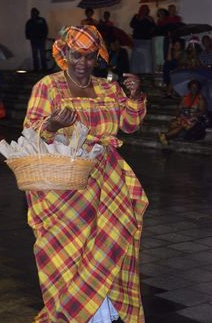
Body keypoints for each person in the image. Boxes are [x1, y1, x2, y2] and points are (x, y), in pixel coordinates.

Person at [23, 25, 148, 323]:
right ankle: (74, 313)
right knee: (69, 252)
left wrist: (135, 96)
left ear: (97, 57)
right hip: (66, 184)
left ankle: (103, 313)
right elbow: (30, 135)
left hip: (107, 180)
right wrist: (51, 126)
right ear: (64, 53)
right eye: (77, 55)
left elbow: (129, 125)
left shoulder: (108, 88)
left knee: (107, 246)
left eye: (90, 57)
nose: (83, 63)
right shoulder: (48, 87)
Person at [159, 79, 207, 145]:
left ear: (198, 89)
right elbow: (179, 108)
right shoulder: (185, 97)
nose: (194, 89)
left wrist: (192, 115)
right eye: (192, 87)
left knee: (183, 124)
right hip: (184, 117)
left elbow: (202, 112)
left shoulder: (200, 99)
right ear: (189, 88)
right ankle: (168, 137)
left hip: (194, 119)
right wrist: (178, 114)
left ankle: (165, 136)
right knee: (173, 123)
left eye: (196, 87)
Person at [129, 4, 155, 73]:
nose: (143, 11)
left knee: (146, 60)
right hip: (136, 40)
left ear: (147, 11)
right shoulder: (136, 16)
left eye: (145, 9)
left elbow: (153, 27)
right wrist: (138, 18)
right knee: (136, 59)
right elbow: (131, 25)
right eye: (142, 9)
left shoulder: (149, 18)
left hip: (146, 41)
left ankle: (146, 74)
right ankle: (135, 73)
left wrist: (147, 18)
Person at [25, 7, 48, 72]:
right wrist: (28, 37)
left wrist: (44, 37)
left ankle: (44, 68)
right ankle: (36, 68)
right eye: (32, 13)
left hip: (40, 40)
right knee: (35, 55)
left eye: (35, 13)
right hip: (34, 40)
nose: (33, 14)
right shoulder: (29, 21)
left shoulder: (41, 20)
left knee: (42, 54)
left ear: (37, 13)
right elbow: (27, 30)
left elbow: (45, 29)